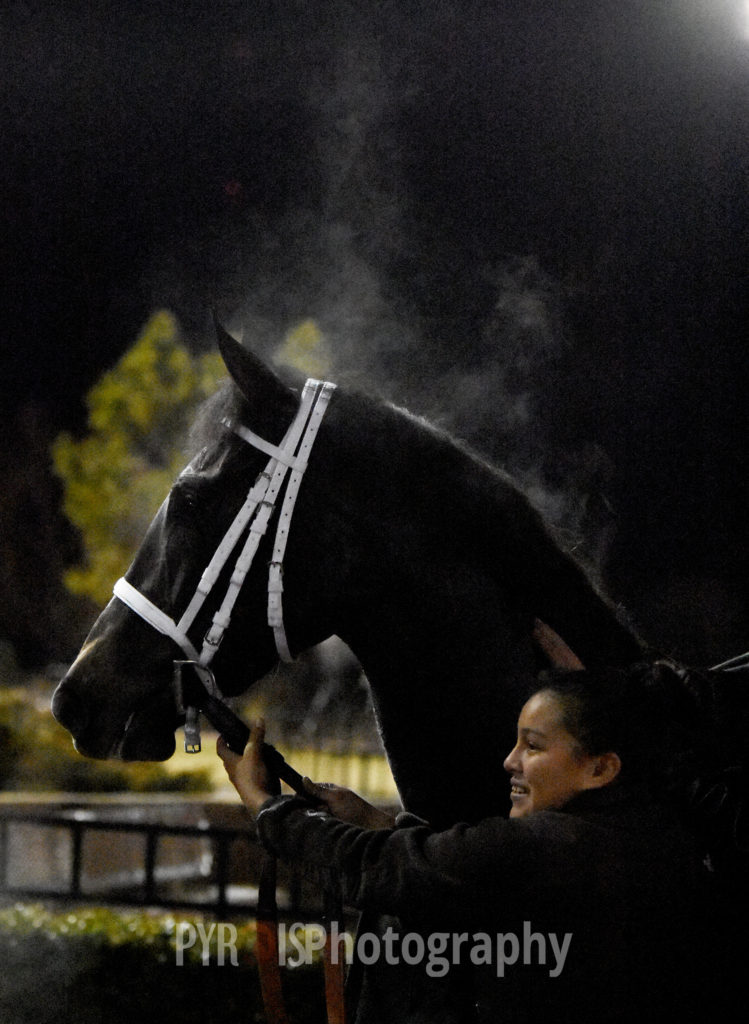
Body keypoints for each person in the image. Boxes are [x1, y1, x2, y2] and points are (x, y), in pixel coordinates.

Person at [218, 666, 723, 1023]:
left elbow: (383, 870)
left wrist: (265, 804)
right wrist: (375, 821)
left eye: (534, 745)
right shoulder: (659, 836)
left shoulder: (549, 845)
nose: (510, 760)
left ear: (601, 768)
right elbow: (442, 865)